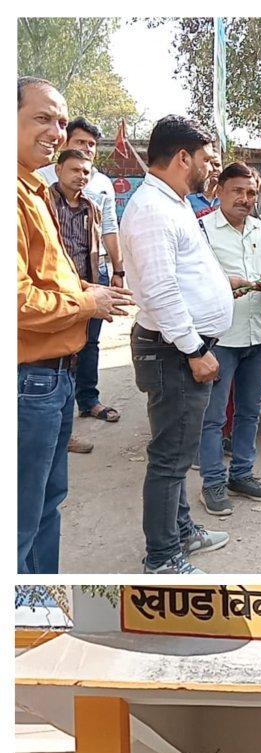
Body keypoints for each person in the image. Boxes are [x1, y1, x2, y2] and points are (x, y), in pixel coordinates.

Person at [18, 76, 132, 573]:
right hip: (31, 377)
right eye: (43, 117)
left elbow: (47, 276)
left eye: (61, 121)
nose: (56, 131)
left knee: (45, 505)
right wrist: (86, 302)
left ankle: (38, 610)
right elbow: (17, 300)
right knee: (21, 517)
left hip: (54, 377)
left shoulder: (32, 189)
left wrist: (87, 291)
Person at [121, 115, 234, 574]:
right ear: (182, 157)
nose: (211, 167)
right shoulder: (151, 210)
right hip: (174, 354)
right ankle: (163, 557)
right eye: (206, 159)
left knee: (180, 450)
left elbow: (184, 275)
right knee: (169, 460)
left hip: (181, 349)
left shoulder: (173, 202)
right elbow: (161, 291)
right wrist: (194, 350)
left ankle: (182, 531)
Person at [199, 162, 261, 516]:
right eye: (237, 191)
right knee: (213, 417)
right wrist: (227, 282)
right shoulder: (202, 230)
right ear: (219, 189)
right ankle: (213, 482)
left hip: (257, 334)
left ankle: (242, 474)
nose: (244, 199)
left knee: (250, 412)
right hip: (221, 338)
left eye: (250, 193)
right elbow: (196, 277)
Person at [37, 115, 126, 434]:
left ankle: (88, 400)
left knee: (89, 341)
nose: (86, 150)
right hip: (54, 279)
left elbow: (110, 229)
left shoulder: (98, 185)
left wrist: (118, 270)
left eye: (91, 145)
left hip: (93, 272)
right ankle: (54, 411)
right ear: (64, 145)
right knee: (56, 341)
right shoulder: (40, 181)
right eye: (80, 143)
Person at [187, 147, 222, 222]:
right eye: (209, 164)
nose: (213, 169)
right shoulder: (187, 198)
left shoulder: (226, 198)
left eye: (217, 165)